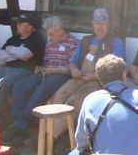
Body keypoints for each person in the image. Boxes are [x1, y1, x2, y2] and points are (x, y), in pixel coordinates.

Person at [1, 16, 78, 146]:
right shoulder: (50, 42)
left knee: (42, 89)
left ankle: (20, 126)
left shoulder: (73, 43)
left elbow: (70, 69)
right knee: (20, 86)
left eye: (51, 34)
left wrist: (51, 70)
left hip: (60, 75)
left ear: (60, 31)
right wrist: (40, 68)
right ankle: (17, 124)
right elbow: (45, 61)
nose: (49, 37)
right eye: (48, 34)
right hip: (44, 73)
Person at [50, 7, 125, 138]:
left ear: (109, 25)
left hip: (98, 81)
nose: (99, 27)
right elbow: (73, 62)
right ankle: (46, 133)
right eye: (97, 24)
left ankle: (52, 138)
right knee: (58, 97)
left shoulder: (116, 42)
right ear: (92, 25)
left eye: (103, 24)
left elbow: (118, 70)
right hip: (78, 77)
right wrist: (74, 70)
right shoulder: (85, 41)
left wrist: (94, 76)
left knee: (74, 102)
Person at [0, 13, 46, 126]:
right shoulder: (14, 38)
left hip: (25, 70)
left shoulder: (36, 39)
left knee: (3, 83)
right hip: (5, 68)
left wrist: (10, 51)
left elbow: (24, 55)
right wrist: (16, 52)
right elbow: (0, 56)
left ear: (29, 26)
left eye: (20, 23)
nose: (17, 25)